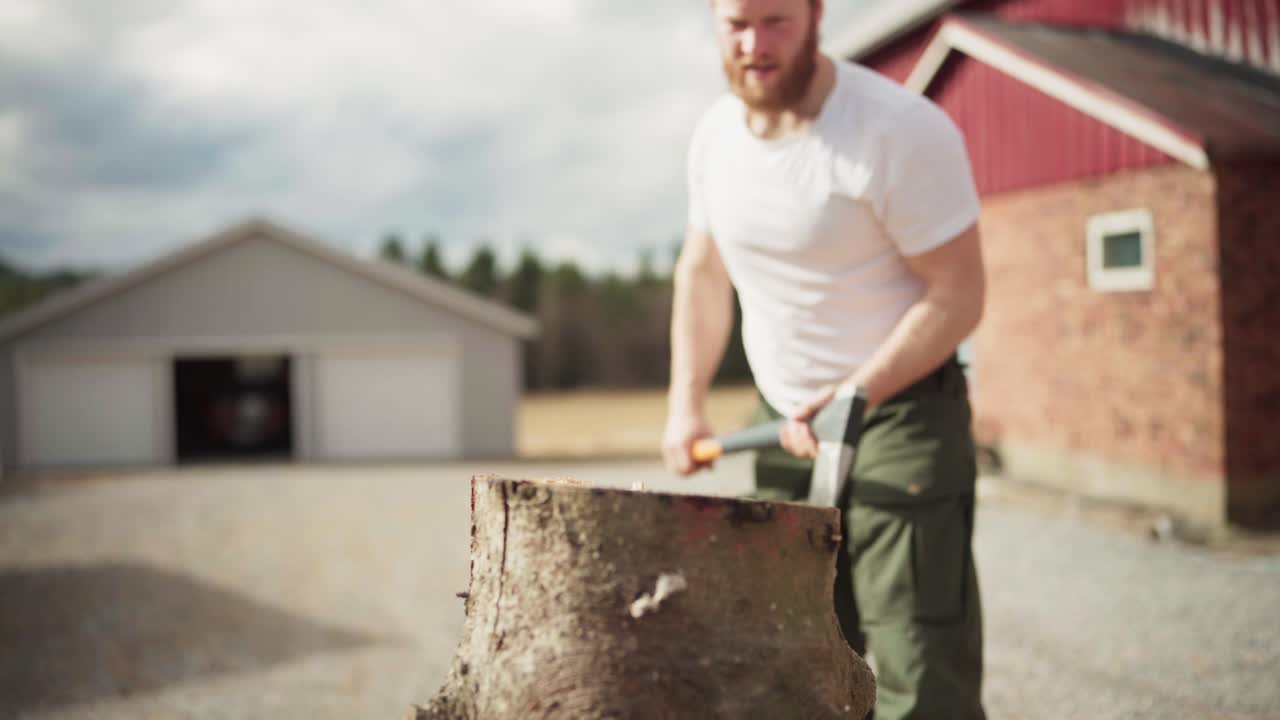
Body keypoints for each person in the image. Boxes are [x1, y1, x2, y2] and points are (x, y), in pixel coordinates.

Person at [661, 0, 987, 717]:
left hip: (900, 417)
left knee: (919, 674)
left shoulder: (896, 130)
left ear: (816, 14)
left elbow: (959, 294)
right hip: (785, 422)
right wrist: (686, 403)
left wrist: (856, 391)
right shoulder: (715, 136)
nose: (754, 44)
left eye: (776, 20)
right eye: (736, 24)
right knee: (791, 659)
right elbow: (703, 272)